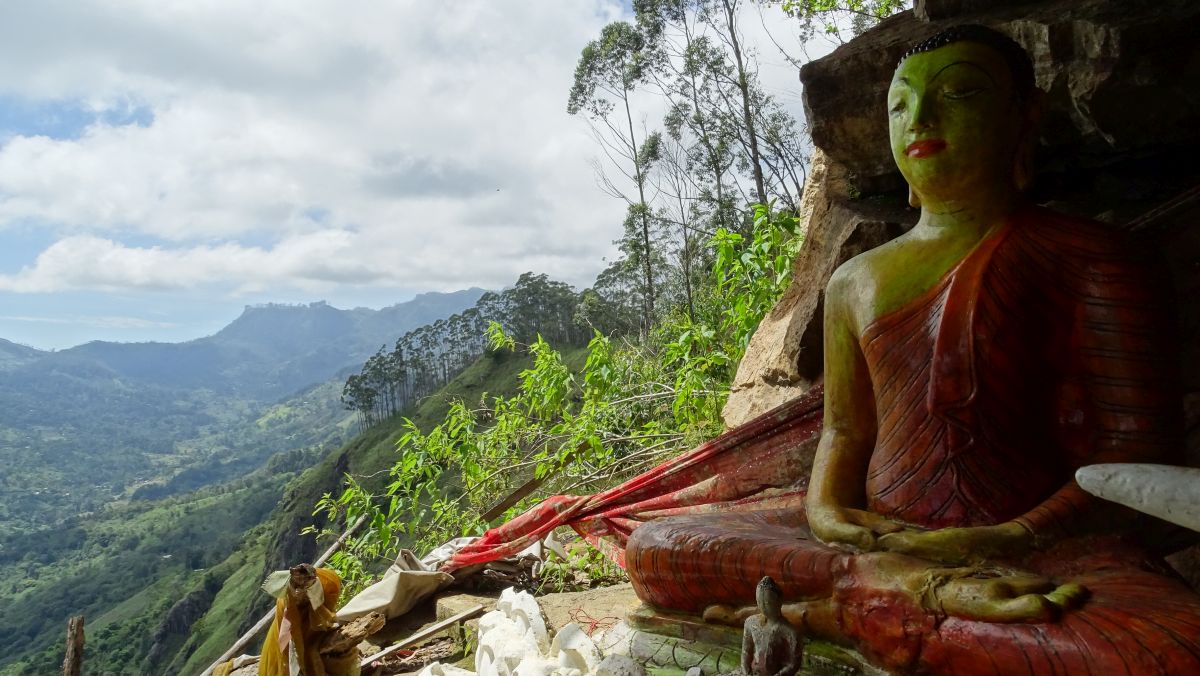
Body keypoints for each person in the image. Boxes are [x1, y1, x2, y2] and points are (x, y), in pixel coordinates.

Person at [624, 25, 1200, 674]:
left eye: (957, 93)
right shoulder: (854, 281)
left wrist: (1012, 535)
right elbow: (844, 432)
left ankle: (857, 607)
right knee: (658, 545)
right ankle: (901, 592)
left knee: (1171, 651)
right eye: (900, 106)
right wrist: (828, 516)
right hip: (878, 539)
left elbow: (1134, 462)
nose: (920, 119)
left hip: (1043, 549)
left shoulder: (1097, 258)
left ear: (1024, 117)